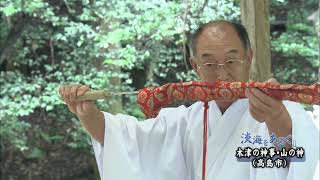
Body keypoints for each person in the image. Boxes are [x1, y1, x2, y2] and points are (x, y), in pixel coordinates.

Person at [58, 20, 319, 180]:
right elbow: (123, 139)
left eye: (231, 60)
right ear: (195, 66)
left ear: (248, 58)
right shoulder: (184, 121)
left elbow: (294, 161)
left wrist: (276, 120)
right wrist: (86, 112)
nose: (222, 73)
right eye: (209, 63)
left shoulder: (281, 111)